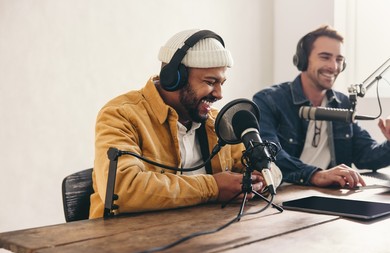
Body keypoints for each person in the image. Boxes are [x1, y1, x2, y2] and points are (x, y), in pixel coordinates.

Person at [90, 29, 281, 218]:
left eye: (222, 83)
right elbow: (122, 189)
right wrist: (213, 187)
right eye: (210, 82)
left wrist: (261, 179)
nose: (219, 94)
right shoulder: (121, 114)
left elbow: (272, 171)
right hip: (128, 241)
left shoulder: (217, 123)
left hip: (203, 235)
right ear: (174, 78)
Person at [253, 25, 390, 189]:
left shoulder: (343, 103)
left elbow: (366, 156)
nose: (334, 67)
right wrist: (315, 175)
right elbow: (268, 155)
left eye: (339, 60)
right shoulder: (269, 100)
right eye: (325, 57)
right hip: (283, 195)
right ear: (303, 60)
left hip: (329, 195)